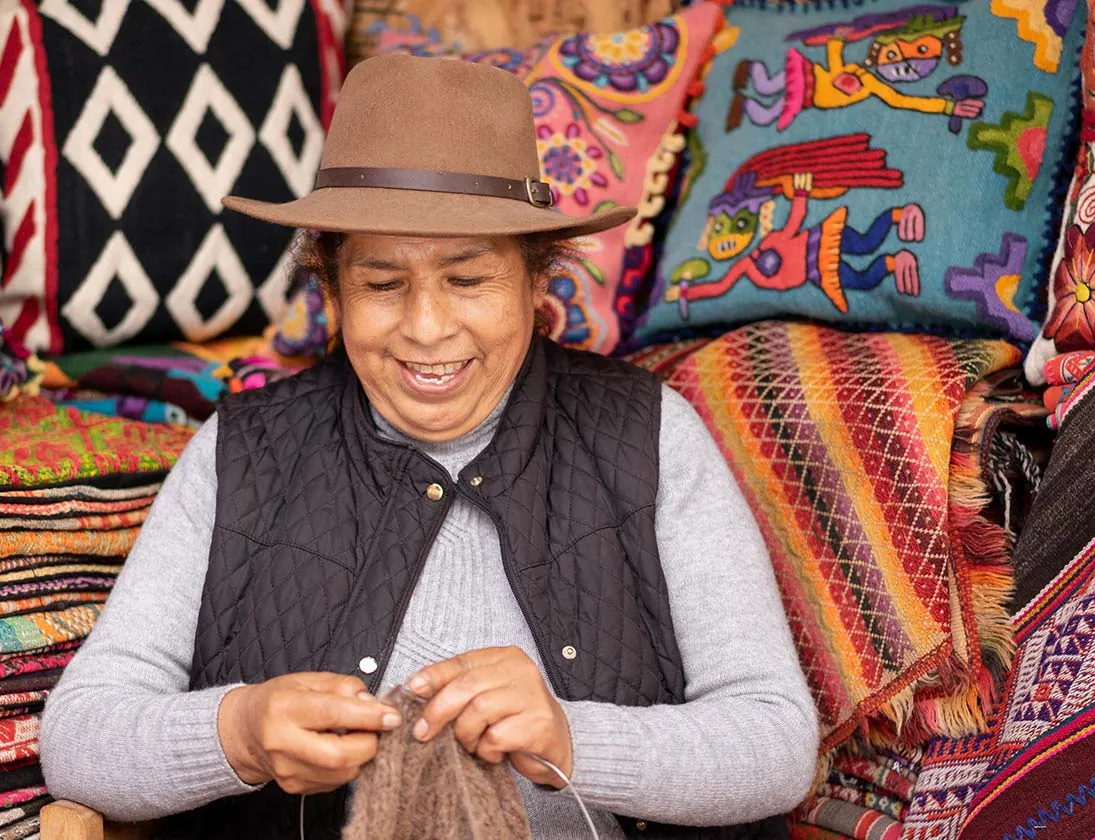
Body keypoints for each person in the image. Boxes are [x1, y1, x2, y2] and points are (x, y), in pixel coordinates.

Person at [40, 54, 818, 839]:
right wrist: (237, 732)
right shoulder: (244, 453)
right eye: (381, 285)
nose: (425, 328)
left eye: (468, 279)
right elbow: (79, 738)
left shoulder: (646, 437)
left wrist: (572, 739)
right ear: (334, 291)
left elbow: (776, 743)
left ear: (535, 282)